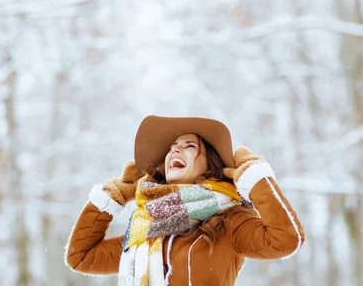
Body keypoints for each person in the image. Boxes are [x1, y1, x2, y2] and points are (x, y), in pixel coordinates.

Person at [65, 115, 305, 285]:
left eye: (189, 146)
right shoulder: (145, 230)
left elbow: (286, 239)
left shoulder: (229, 220)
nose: (174, 151)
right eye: (172, 148)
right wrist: (113, 196)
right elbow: (81, 257)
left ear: (210, 162)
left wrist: (256, 178)